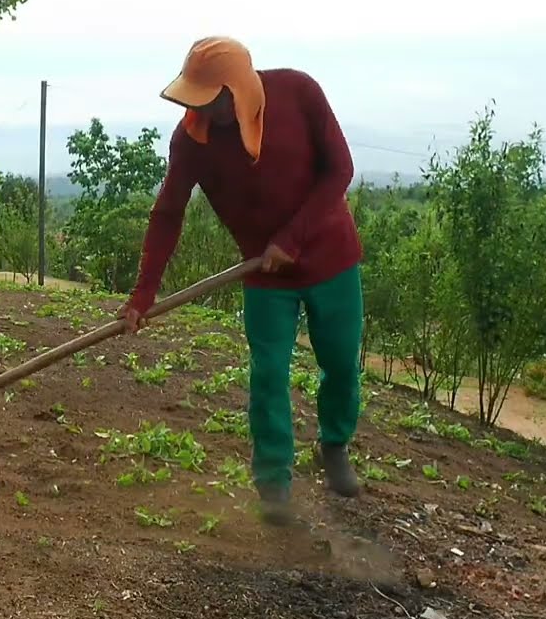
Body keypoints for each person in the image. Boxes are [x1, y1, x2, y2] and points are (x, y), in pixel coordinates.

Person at [118, 36, 365, 525]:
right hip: (264, 276)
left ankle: (334, 444)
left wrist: (291, 239)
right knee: (268, 375)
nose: (200, 109)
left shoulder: (299, 93)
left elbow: (341, 170)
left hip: (330, 261)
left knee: (340, 363)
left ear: (236, 90)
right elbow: (168, 212)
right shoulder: (191, 140)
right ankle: (274, 485)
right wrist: (143, 294)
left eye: (209, 98)